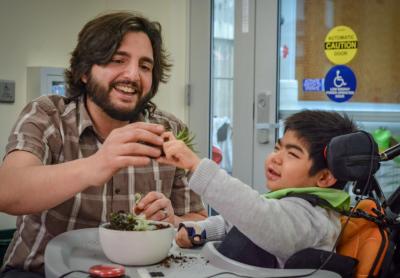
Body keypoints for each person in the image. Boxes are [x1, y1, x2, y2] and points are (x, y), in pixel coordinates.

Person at [0, 11, 206, 276]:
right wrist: (96, 165)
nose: (133, 75)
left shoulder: (171, 130)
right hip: (40, 272)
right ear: (84, 71)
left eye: (145, 66)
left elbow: (198, 222)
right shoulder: (47, 115)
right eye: (117, 60)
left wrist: (173, 221)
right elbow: (8, 191)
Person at [158, 110, 357, 268]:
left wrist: (196, 166)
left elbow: (259, 216)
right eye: (278, 148)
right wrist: (201, 230)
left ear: (324, 177)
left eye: (293, 154)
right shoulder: (289, 203)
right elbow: (238, 223)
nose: (276, 158)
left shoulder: (315, 219)